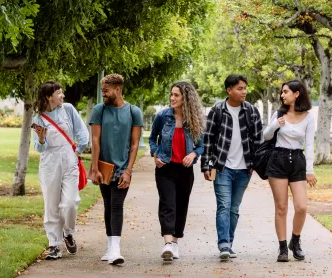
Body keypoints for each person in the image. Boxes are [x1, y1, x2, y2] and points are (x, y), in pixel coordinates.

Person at [201, 74, 263, 261]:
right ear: (229, 90)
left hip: (245, 169)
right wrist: (206, 164)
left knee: (234, 208)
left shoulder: (251, 111)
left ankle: (229, 242)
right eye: (240, 88)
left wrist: (255, 164)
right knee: (224, 206)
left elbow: (258, 141)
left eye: (245, 88)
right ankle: (224, 245)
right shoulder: (217, 110)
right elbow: (208, 139)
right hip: (222, 167)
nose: (244, 91)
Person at [88, 74, 143, 265]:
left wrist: (128, 171)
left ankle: (115, 249)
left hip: (122, 168)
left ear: (118, 89)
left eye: (106, 90)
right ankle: (110, 247)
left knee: (116, 205)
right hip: (104, 167)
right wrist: (94, 169)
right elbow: (95, 140)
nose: (103, 93)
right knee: (107, 204)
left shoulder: (133, 111)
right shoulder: (99, 110)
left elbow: (135, 144)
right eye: (102, 90)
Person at [32, 81, 89, 260]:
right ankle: (54, 244)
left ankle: (68, 232)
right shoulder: (38, 118)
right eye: (59, 93)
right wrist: (41, 139)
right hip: (49, 162)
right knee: (51, 204)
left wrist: (78, 151)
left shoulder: (68, 109)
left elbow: (82, 132)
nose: (62, 96)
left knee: (70, 202)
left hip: (69, 158)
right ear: (49, 97)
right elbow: (39, 148)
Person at [149, 81, 205, 261]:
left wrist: (193, 155)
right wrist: (155, 153)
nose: (172, 98)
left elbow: (202, 146)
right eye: (171, 94)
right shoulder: (162, 117)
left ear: (186, 98)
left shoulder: (195, 119)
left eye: (176, 95)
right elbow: (152, 139)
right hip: (165, 167)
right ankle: (167, 244)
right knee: (168, 204)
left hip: (185, 170)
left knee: (181, 206)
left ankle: (174, 243)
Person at [264, 80, 317, 262]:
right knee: (281, 207)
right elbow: (266, 136)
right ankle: (282, 247)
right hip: (278, 159)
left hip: (298, 161)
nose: (282, 95)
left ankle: (295, 241)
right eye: (282, 92)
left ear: (297, 94)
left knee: (301, 207)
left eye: (285, 91)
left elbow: (309, 144)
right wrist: (275, 125)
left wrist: (310, 170)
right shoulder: (279, 113)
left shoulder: (309, 117)